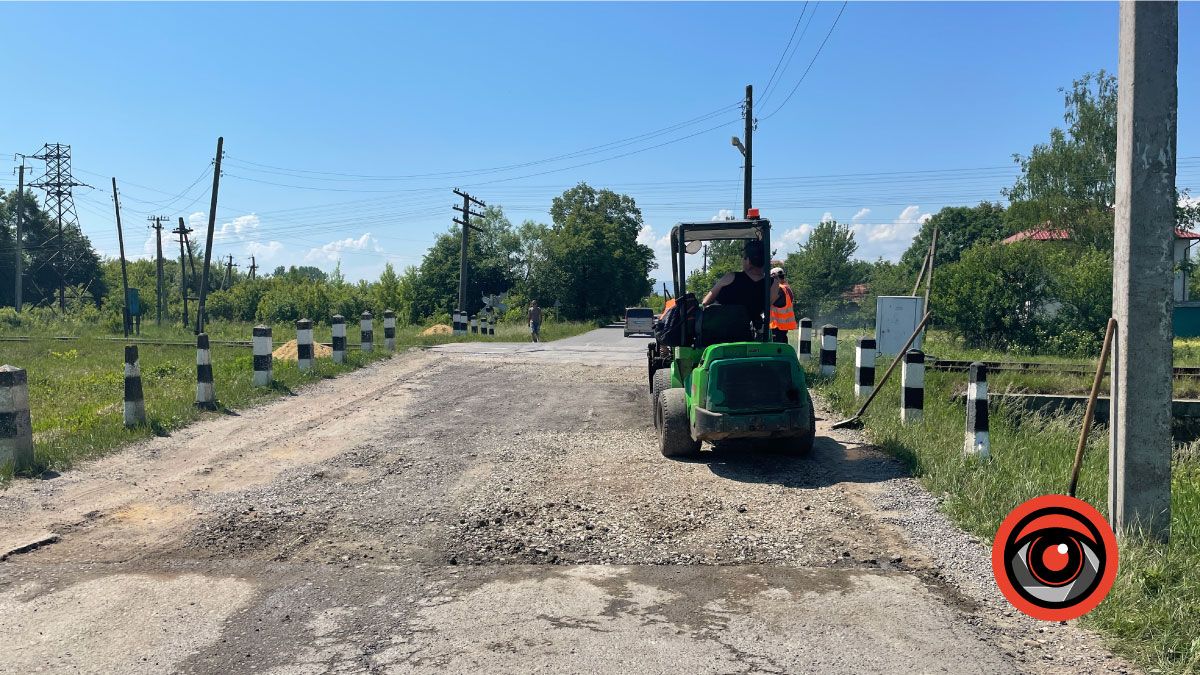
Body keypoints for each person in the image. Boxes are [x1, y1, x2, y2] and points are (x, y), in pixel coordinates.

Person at [701, 239, 781, 335]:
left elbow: (705, 302)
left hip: (719, 332)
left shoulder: (730, 277)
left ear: (748, 261)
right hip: (747, 332)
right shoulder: (773, 284)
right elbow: (766, 306)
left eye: (743, 257)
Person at [768, 265, 797, 344]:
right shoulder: (787, 288)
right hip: (783, 326)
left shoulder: (779, 288)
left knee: (776, 348)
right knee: (783, 346)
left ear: (774, 277)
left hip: (777, 325)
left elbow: (769, 302)